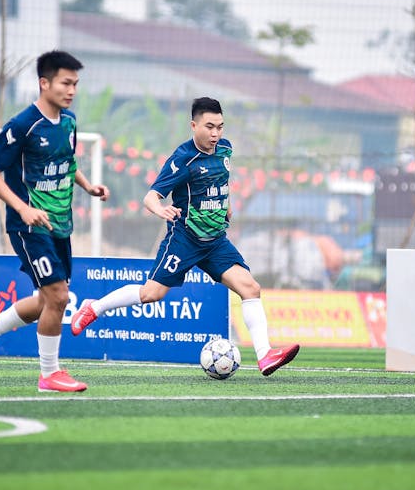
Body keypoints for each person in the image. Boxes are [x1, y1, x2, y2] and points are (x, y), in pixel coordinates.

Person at [71, 97, 300, 376]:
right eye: (209, 127)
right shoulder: (182, 159)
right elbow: (150, 197)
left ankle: (265, 356)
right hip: (185, 239)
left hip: (215, 241)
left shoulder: (225, 149)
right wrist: (161, 210)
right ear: (193, 125)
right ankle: (94, 307)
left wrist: (226, 206)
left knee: (250, 288)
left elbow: (221, 181)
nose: (216, 134)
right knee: (151, 294)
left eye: (220, 127)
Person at [0, 50, 109, 393]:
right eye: (65, 82)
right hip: (29, 226)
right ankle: (49, 374)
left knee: (47, 302)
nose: (72, 90)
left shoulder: (69, 122)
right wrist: (23, 209)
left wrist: (88, 186)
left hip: (60, 224)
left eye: (75, 84)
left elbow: (67, 162)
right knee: (59, 297)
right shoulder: (22, 126)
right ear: (44, 83)